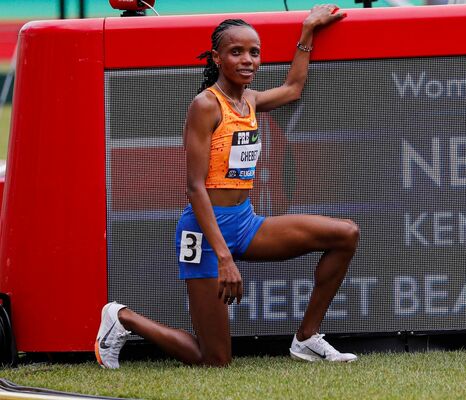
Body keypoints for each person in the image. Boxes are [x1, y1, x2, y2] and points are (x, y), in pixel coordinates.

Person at [95, 6, 357, 368]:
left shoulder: (248, 100)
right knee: (214, 360)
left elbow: (293, 88)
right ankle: (122, 317)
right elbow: (193, 187)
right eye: (237, 52)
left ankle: (306, 338)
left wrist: (308, 30)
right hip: (204, 235)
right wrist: (224, 257)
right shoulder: (205, 106)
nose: (248, 60)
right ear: (217, 57)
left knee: (344, 235)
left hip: (244, 223)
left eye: (254, 52)